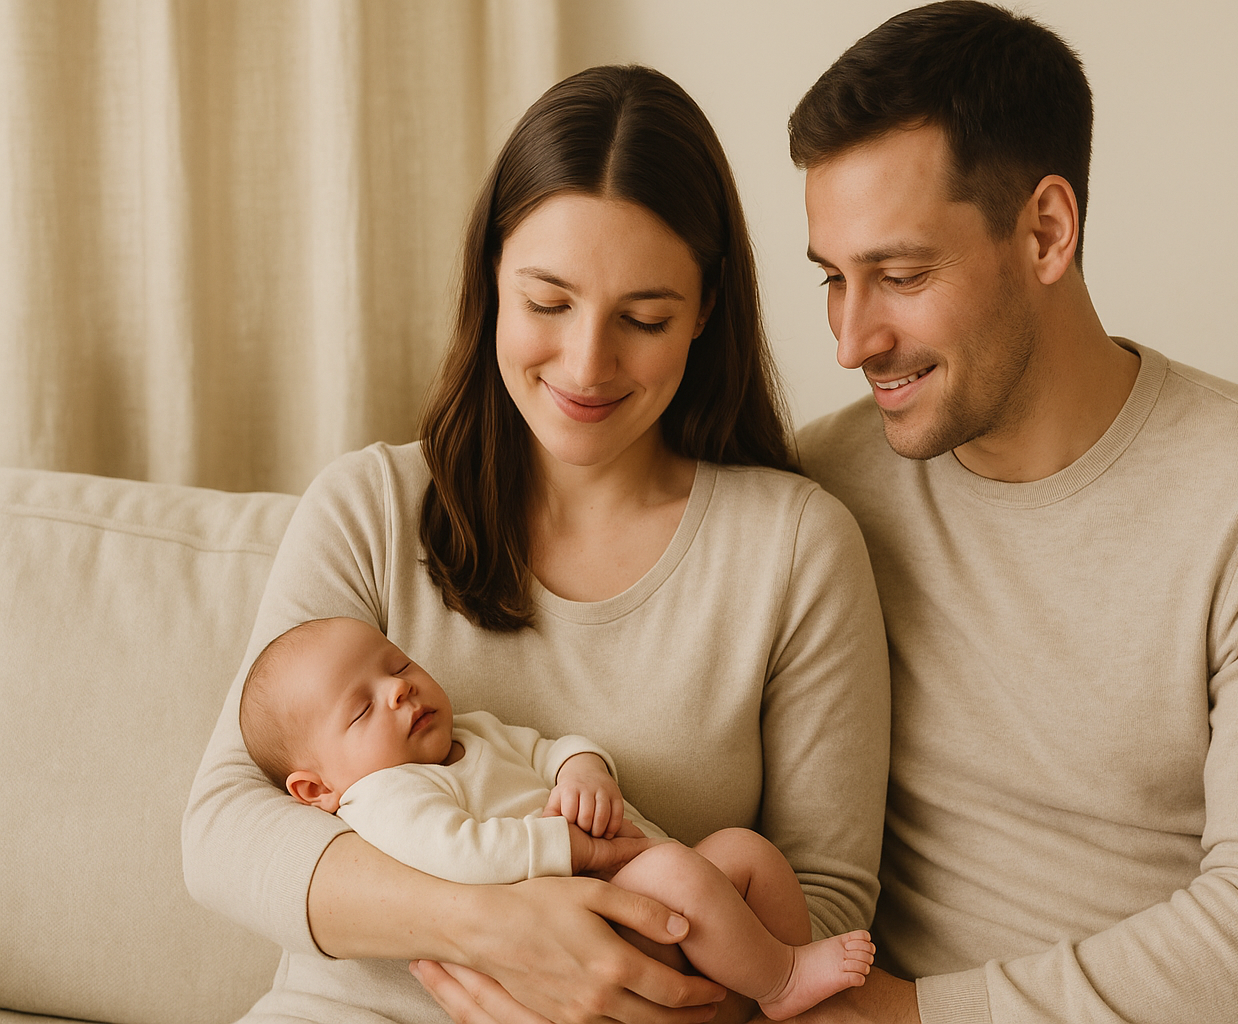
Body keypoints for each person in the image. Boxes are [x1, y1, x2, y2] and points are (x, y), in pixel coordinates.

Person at [183, 64, 890, 1024]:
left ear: (707, 311)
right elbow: (224, 832)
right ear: (491, 279)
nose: (588, 365)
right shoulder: (369, 507)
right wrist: (495, 932)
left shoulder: (794, 549)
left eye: (644, 319)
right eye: (549, 303)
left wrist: (631, 1003)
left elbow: (825, 914)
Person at [781, 3, 1238, 1023]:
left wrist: (917, 1013)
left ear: (1045, 231)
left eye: (900, 276)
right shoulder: (818, 496)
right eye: (833, 280)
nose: (852, 340)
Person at [237, 616, 877, 1021]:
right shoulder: (381, 796)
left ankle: (785, 981)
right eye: (361, 709)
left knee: (746, 852)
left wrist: (583, 771)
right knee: (680, 875)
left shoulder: (475, 731)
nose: (398, 690)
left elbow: (553, 748)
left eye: (397, 665)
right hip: (581, 932)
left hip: (646, 897)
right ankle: (783, 982)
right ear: (315, 787)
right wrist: (571, 846)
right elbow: (463, 855)